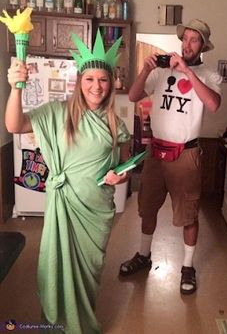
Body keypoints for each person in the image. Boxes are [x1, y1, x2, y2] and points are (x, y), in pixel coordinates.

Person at [6, 30, 130, 334]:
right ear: (79, 82)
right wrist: (15, 88)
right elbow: (14, 124)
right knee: (56, 268)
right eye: (89, 79)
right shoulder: (57, 112)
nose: (96, 86)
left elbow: (122, 164)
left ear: (110, 83)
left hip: (97, 209)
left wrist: (121, 173)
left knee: (89, 273)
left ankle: (81, 324)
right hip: (65, 203)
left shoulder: (116, 123)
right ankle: (57, 324)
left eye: (102, 79)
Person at [119, 19, 222, 295]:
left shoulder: (209, 75)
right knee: (147, 208)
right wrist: (145, 70)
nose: (186, 44)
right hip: (155, 152)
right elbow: (132, 96)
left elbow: (213, 104)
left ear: (203, 46)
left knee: (189, 214)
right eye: (184, 38)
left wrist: (188, 71)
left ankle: (187, 267)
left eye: (194, 40)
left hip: (186, 154)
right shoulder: (161, 73)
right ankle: (143, 254)